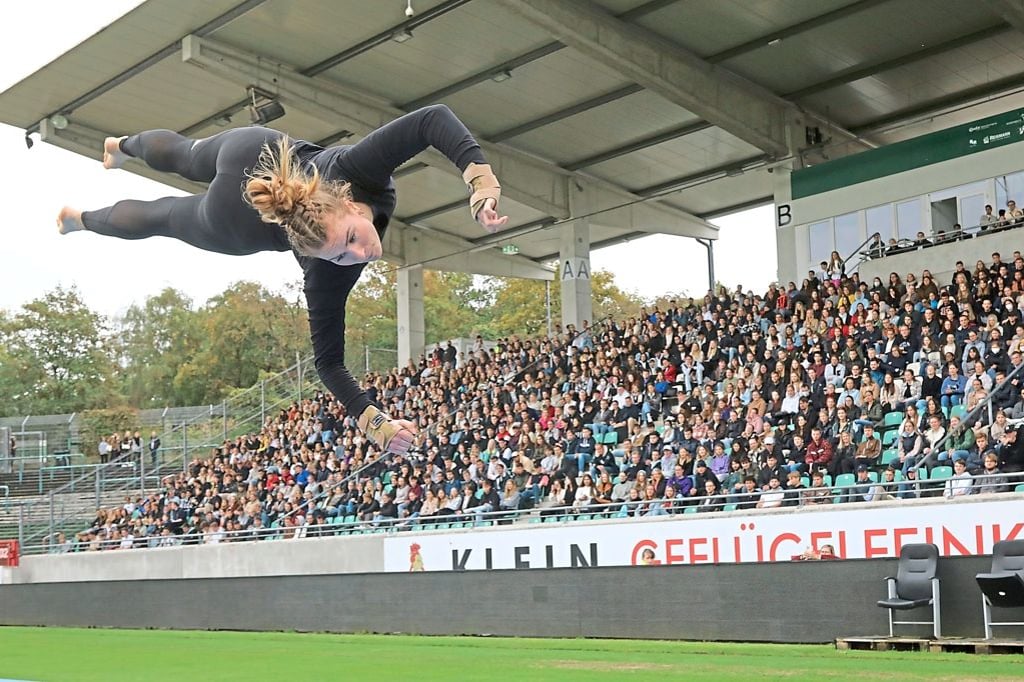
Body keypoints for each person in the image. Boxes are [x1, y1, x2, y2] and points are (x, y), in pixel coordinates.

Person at [57, 105, 508, 455]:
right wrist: (376, 423)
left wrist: (480, 180)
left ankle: (118, 156)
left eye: (350, 240)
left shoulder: (356, 170)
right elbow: (329, 365)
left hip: (257, 151)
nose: (357, 256)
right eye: (339, 254)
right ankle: (91, 202)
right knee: (167, 214)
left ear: (350, 204)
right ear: (315, 257)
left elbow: (432, 120)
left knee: (186, 156)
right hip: (237, 216)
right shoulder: (325, 272)